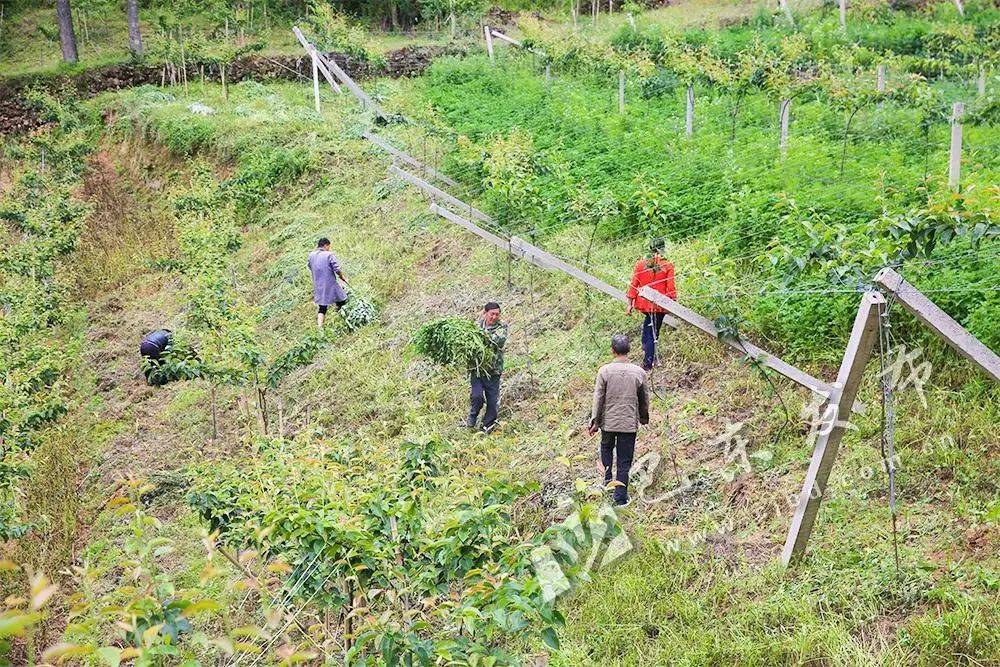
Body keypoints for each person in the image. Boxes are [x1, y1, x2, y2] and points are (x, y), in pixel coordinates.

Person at [588, 334, 650, 507]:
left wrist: (595, 421)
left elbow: (598, 398)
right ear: (628, 350)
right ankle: (620, 498)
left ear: (612, 351)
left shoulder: (604, 371)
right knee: (624, 460)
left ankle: (607, 485)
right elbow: (644, 398)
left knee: (606, 450)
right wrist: (644, 417)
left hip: (608, 422)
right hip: (628, 424)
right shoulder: (639, 372)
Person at [625, 238, 677, 372]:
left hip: (643, 303)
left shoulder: (641, 264)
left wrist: (629, 304)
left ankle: (645, 345)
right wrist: (673, 305)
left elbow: (634, 285)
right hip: (659, 306)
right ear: (663, 248)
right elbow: (670, 289)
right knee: (654, 334)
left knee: (649, 323)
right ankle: (647, 364)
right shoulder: (668, 265)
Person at [466, 302, 509, 434]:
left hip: (493, 370)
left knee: (492, 400)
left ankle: (487, 426)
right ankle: (473, 416)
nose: (494, 317)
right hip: (478, 369)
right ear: (485, 313)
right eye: (492, 314)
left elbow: (498, 340)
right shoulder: (475, 326)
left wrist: (478, 338)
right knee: (477, 396)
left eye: (497, 314)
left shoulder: (502, 326)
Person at [307, 237, 348, 328]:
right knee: (342, 300)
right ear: (326, 245)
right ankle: (342, 320)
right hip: (330, 283)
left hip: (318, 283)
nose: (329, 248)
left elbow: (309, 266)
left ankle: (320, 327)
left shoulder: (311, 255)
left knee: (322, 306)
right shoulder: (329, 254)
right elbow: (336, 268)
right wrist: (342, 277)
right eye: (329, 246)